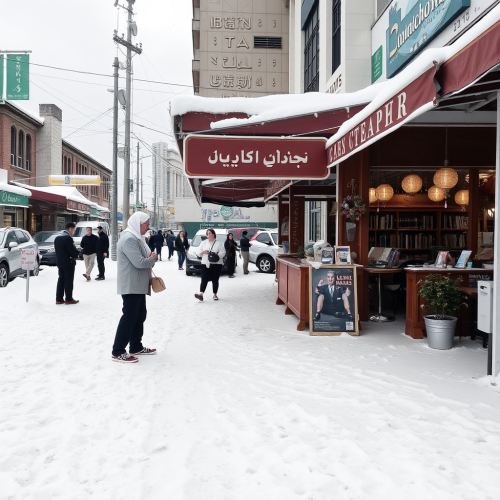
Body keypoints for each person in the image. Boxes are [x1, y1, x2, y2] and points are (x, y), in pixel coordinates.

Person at [111, 212, 158, 363]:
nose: (148, 226)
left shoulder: (138, 238)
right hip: (131, 285)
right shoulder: (129, 239)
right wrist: (152, 259)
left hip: (138, 285)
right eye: (146, 223)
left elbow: (147, 258)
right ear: (138, 223)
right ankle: (118, 350)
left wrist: (150, 258)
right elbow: (140, 262)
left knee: (139, 315)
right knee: (129, 317)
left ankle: (136, 345)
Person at [194, 228, 225, 301]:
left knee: (215, 279)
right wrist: (203, 252)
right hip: (205, 263)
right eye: (208, 233)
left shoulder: (218, 243)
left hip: (216, 264)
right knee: (204, 279)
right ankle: (201, 294)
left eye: (211, 233)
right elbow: (198, 251)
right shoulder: (204, 243)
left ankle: (215, 294)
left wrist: (216, 256)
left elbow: (223, 252)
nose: (209, 235)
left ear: (214, 234)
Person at [54, 222, 80, 305]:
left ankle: (59, 299)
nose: (73, 232)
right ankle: (68, 298)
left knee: (61, 280)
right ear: (70, 229)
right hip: (68, 262)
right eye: (74, 230)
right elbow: (71, 250)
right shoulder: (68, 238)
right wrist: (77, 253)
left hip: (60, 262)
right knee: (68, 280)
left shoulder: (57, 238)